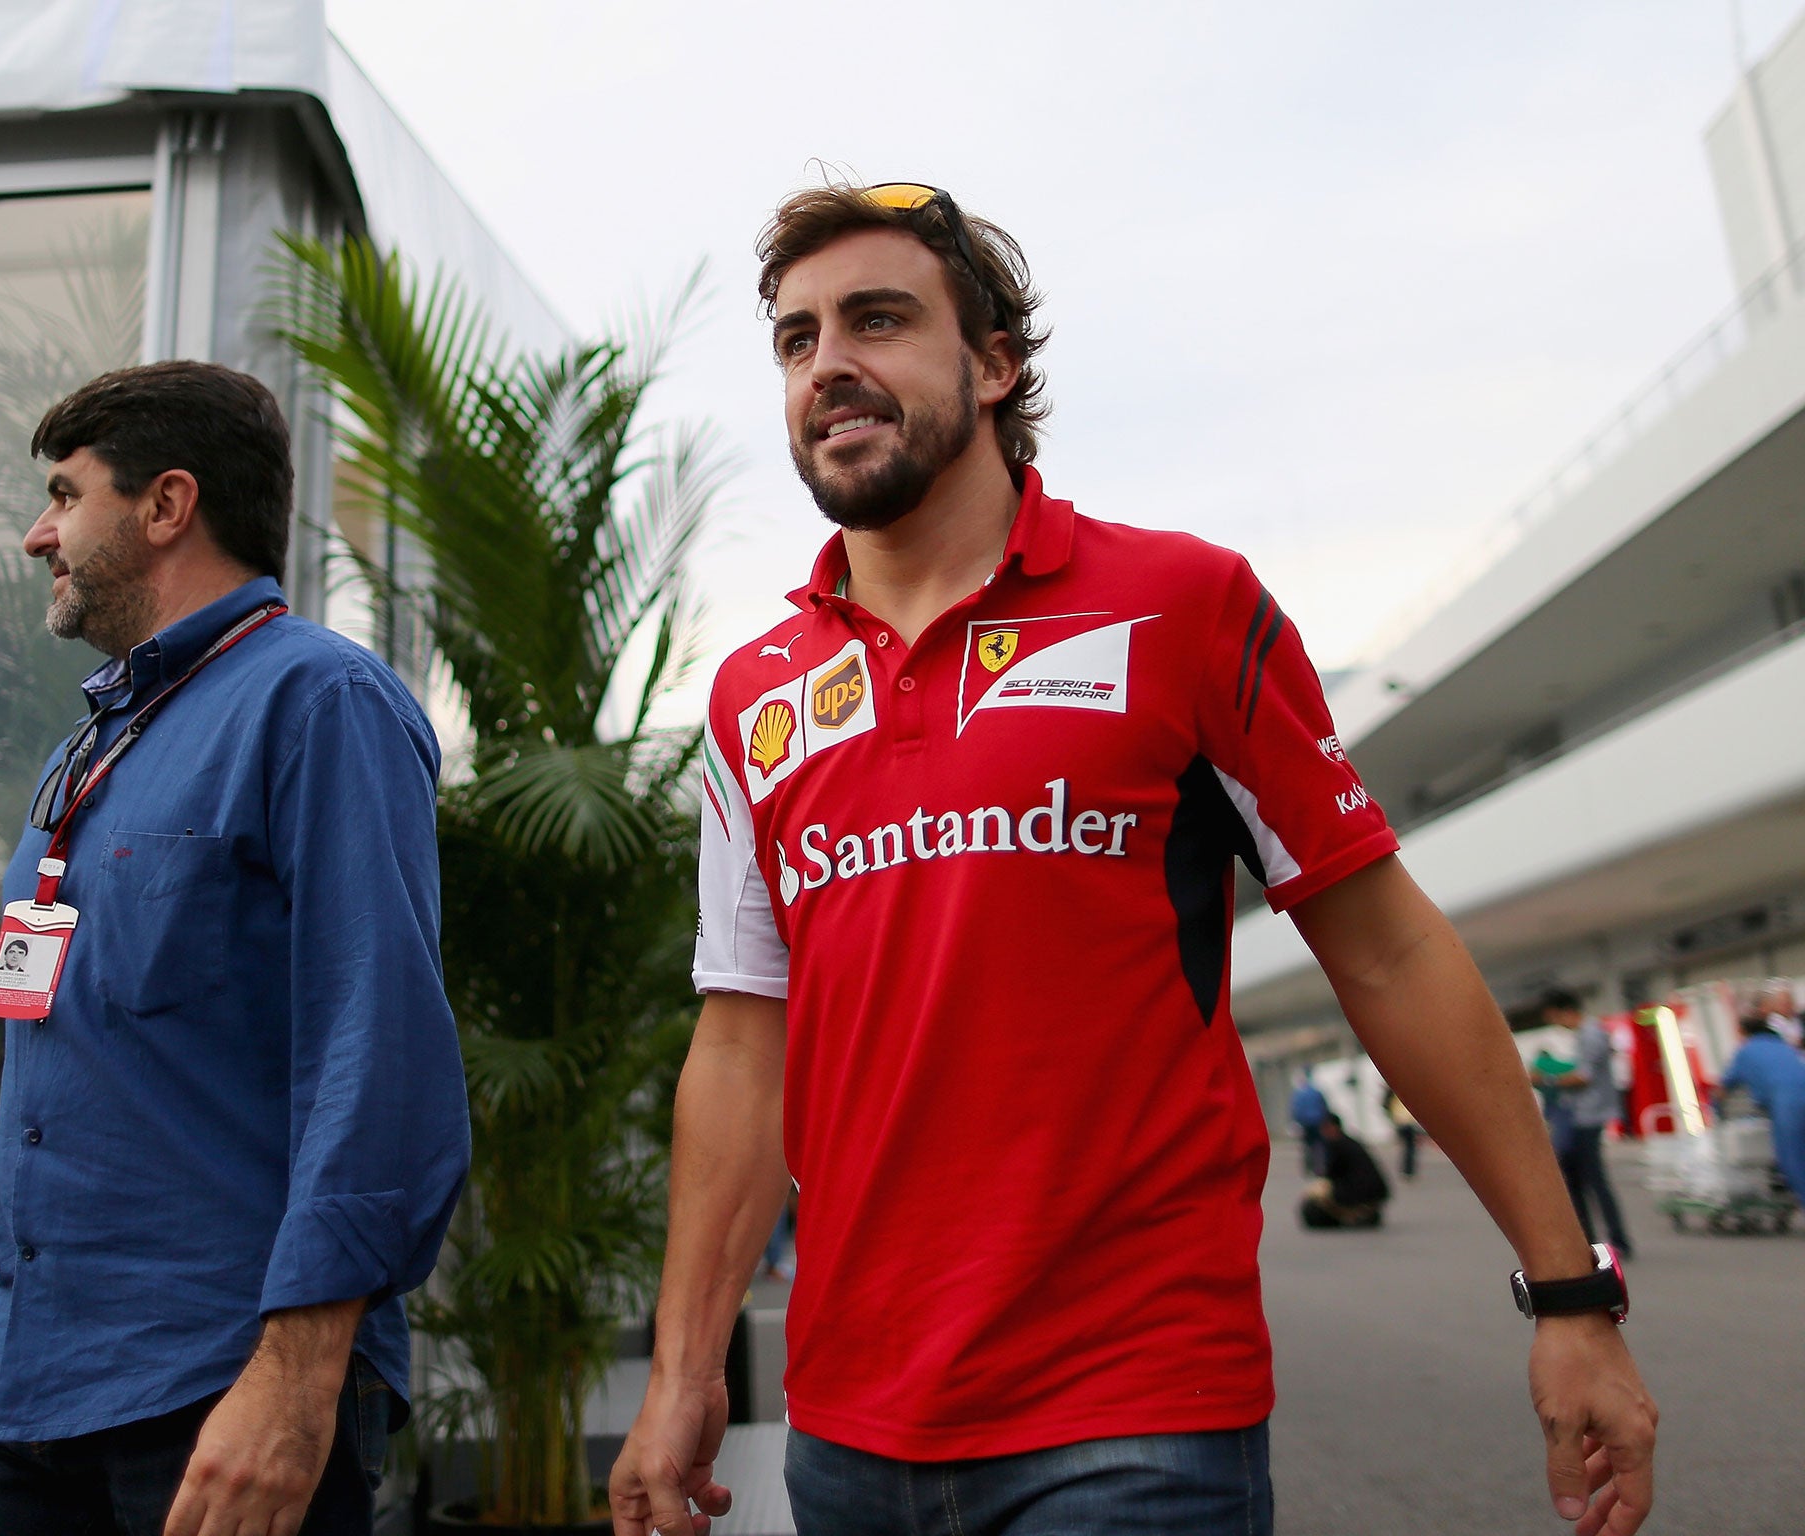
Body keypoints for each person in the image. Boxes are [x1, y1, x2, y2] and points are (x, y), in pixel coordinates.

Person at [610, 182, 1656, 1536]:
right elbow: (744, 1045)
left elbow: (1388, 951)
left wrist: (1568, 1294)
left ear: (994, 365)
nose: (831, 366)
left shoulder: (1180, 606)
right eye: (798, 339)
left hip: (1135, 1420)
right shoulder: (754, 695)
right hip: (847, 1430)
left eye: (879, 319)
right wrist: (687, 1369)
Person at [0, 361, 471, 1536]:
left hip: (218, 1385)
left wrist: (297, 1375)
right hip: (19, 1378)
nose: (34, 535)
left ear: (167, 506)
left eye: (66, 496)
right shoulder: (97, 739)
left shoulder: (319, 701)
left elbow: (383, 1057)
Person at [1532, 988, 1636, 1261]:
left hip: (1587, 1115)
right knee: (1575, 1180)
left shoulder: (1591, 1034)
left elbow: (1583, 1077)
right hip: (1579, 1114)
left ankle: (1617, 1239)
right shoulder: (1586, 1035)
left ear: (1564, 1011)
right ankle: (1587, 1240)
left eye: (1554, 1017)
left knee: (1593, 1179)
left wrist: (1546, 1079)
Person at [1719, 1015, 1805, 1205]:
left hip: (1787, 1102)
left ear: (1742, 1032)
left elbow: (1725, 1086)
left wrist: (1715, 1109)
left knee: (1793, 1158)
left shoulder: (1746, 1051)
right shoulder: (1783, 1046)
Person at [1299, 1114, 1390, 1228]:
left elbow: (1331, 1172)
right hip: (1374, 1189)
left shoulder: (1337, 1144)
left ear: (1332, 1127)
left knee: (1317, 1195)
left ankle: (1344, 1215)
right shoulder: (1349, 1141)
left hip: (1359, 1190)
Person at [1289, 1070, 1329, 1175]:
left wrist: (1296, 1121)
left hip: (1306, 1123)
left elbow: (1296, 1110)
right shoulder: (1316, 1092)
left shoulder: (1299, 1094)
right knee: (1319, 1145)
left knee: (1307, 1145)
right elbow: (1324, 1106)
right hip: (1318, 1121)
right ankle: (1320, 1166)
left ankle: (1308, 1167)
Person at [1384, 1085, 1423, 1179]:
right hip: (1408, 1121)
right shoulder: (1411, 1091)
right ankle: (1408, 1170)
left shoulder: (1392, 1091)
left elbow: (1386, 1104)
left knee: (1407, 1146)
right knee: (1410, 1147)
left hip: (1399, 1120)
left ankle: (1406, 1169)